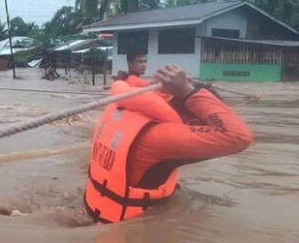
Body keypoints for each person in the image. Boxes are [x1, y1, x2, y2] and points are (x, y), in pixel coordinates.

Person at [84, 65, 253, 224]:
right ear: (193, 120)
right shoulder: (160, 138)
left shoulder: (132, 111)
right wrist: (187, 90)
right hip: (133, 229)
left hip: (97, 210)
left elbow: (139, 85)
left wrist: (185, 88)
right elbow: (238, 136)